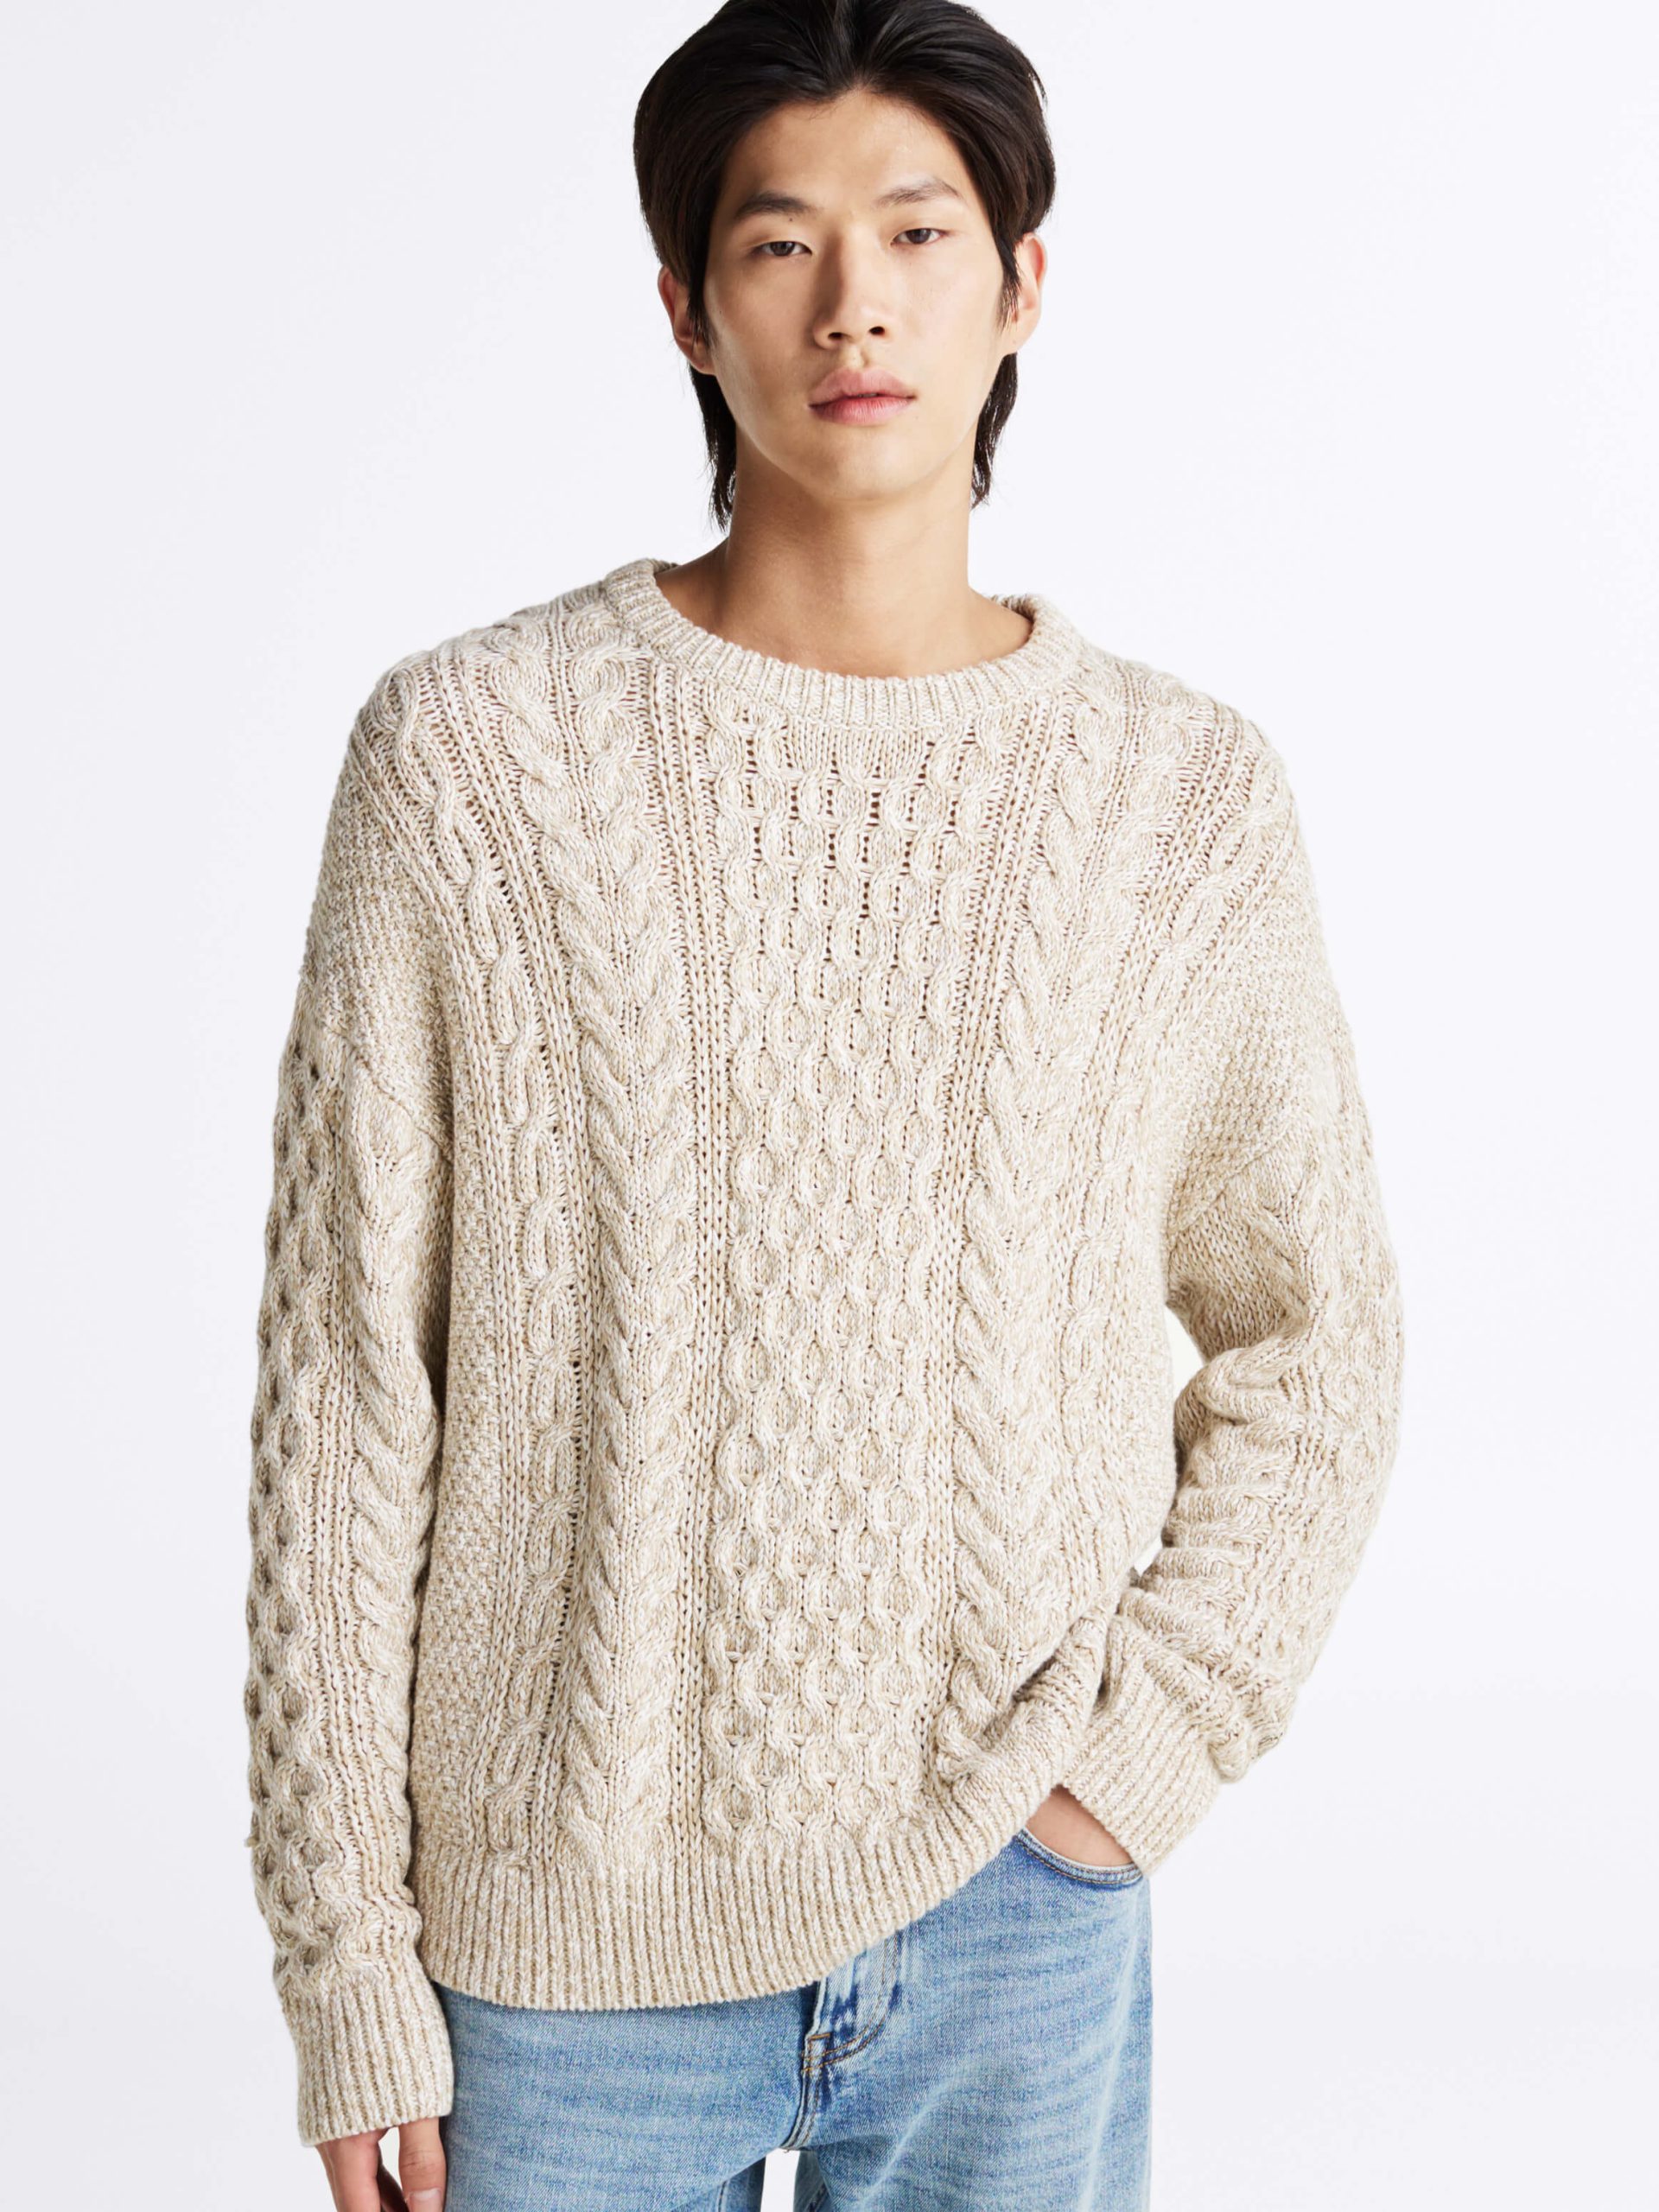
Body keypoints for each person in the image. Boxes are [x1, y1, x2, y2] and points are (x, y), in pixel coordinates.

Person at [241, 1, 1406, 2206]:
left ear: (1021, 280)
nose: (854, 302)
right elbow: (343, 1392)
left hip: (1015, 1917)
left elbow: (1317, 1336)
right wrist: (345, 1955)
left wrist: (1133, 1765)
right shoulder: (470, 762)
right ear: (686, 307)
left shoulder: (1179, 801)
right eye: (779, 243)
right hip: (557, 1948)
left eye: (918, 231)